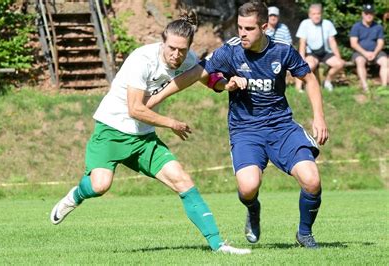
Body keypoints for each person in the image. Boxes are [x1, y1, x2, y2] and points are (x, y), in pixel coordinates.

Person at [49, 11, 251, 255]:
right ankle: (75, 196)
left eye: (182, 50)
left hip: (144, 139)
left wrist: (224, 84)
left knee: (182, 181)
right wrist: (171, 123)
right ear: (162, 41)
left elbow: (207, 78)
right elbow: (135, 109)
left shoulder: (187, 58)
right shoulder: (141, 60)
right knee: (100, 185)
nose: (176, 55)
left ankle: (218, 245)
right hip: (112, 130)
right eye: (171, 48)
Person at [146, 1, 329, 249]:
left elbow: (309, 78)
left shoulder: (282, 51)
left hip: (281, 127)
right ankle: (253, 209)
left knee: (312, 180)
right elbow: (195, 75)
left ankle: (305, 234)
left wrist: (319, 117)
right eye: (239, 27)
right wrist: (156, 98)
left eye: (249, 28)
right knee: (248, 187)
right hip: (245, 130)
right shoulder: (230, 51)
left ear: (264, 27)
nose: (242, 33)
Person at [295, 3, 345, 92]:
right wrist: (301, 58)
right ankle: (299, 87)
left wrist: (338, 57)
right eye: (314, 14)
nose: (316, 16)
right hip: (311, 53)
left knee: (340, 64)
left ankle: (327, 81)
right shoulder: (305, 24)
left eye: (318, 13)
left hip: (325, 52)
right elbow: (302, 43)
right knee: (309, 66)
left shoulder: (327, 24)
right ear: (310, 15)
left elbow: (332, 42)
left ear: (321, 14)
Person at [349, 4, 387, 93]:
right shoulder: (356, 27)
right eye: (367, 13)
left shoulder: (378, 27)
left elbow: (381, 42)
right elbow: (353, 43)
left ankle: (384, 87)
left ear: (373, 14)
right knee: (360, 61)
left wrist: (374, 53)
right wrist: (365, 53)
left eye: (371, 13)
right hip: (360, 52)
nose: (369, 15)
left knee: (385, 61)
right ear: (363, 14)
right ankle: (365, 87)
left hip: (376, 52)